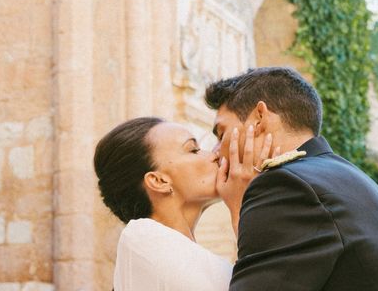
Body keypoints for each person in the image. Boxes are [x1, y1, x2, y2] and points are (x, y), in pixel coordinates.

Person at [206, 66, 378, 291]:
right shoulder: (343, 178)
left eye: (221, 134)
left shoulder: (286, 187)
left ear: (260, 118)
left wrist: (240, 209)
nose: (214, 153)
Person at [93, 116, 272, 291]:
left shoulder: (186, 256)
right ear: (158, 181)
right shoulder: (141, 236)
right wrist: (243, 207)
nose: (214, 155)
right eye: (193, 150)